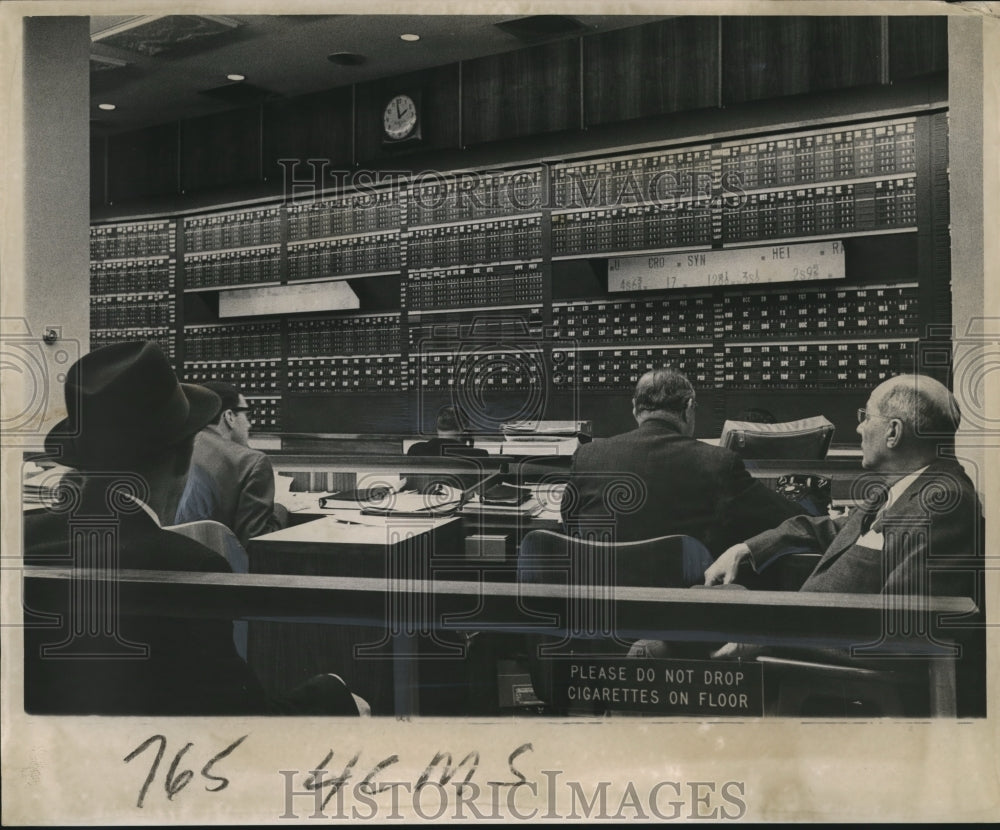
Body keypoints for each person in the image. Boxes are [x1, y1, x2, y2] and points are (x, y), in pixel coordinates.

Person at [24, 341, 362, 715]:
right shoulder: (190, 568)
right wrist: (333, 696)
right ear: (185, 457)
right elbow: (233, 721)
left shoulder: (18, 541)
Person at [704, 373, 984, 596]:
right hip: (798, 632)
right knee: (696, 604)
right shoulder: (905, 488)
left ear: (893, 432)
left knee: (678, 622)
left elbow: (897, 626)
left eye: (866, 417)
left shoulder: (943, 504)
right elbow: (835, 529)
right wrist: (747, 548)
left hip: (805, 652)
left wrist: (765, 639)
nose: (860, 428)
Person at [560, 368, 807, 556]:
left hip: (606, 603)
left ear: (635, 409)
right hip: (685, 605)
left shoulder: (588, 456)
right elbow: (786, 520)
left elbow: (571, 525)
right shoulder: (717, 462)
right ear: (689, 408)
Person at [174, 380, 288, 547]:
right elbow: (256, 541)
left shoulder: (168, 453)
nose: (249, 425)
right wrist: (281, 508)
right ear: (229, 417)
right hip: (221, 569)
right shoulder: (251, 462)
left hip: (162, 567)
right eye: (247, 415)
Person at [404, 404, 488, 494]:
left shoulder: (415, 450)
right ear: (465, 431)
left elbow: (408, 483)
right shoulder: (479, 455)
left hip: (418, 503)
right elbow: (482, 489)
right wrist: (468, 444)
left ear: (437, 428)